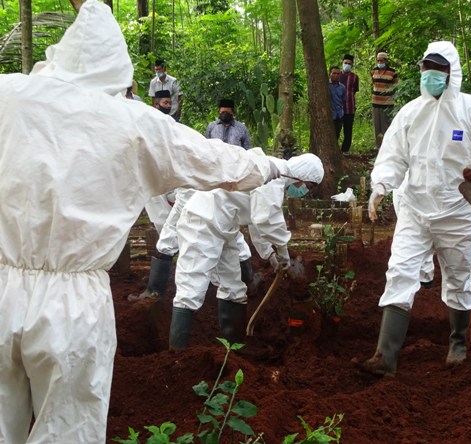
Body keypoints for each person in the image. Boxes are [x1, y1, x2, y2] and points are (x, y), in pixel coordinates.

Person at [0, 2, 280, 442]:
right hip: (73, 305)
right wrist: (273, 168)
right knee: (68, 427)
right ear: (117, 68)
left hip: (1, 286)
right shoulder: (132, 122)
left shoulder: (9, 95)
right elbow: (217, 162)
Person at [360, 41, 471, 377]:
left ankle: (458, 341)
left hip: (457, 213)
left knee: (459, 279)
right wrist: (381, 186)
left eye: (439, 69)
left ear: (451, 73)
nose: (431, 75)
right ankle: (385, 357)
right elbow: (393, 157)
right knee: (399, 272)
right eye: (426, 68)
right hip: (415, 210)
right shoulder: (410, 113)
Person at [169, 153, 324, 349]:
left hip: (224, 227)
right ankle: (176, 357)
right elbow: (266, 220)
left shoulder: (277, 178)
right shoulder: (273, 175)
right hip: (202, 222)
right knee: (190, 288)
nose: (304, 191)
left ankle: (233, 349)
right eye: (307, 186)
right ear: (302, 176)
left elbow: (256, 220)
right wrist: (283, 253)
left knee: (233, 288)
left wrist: (270, 255)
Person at [131, 100, 256, 302]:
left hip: (195, 189)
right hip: (209, 187)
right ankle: (247, 282)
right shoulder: (180, 136)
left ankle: (155, 291)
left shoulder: (169, 141)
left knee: (169, 238)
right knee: (231, 235)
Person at [371, 51, 398, 148]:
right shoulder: (373, 71)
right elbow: (373, 83)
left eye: (381, 60)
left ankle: (387, 146)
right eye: (378, 60)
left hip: (387, 103)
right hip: (375, 102)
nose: (379, 62)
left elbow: (395, 86)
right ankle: (378, 146)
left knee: (386, 125)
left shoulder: (392, 72)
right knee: (377, 126)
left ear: (386, 61)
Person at [339, 54, 360, 154]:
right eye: (345, 63)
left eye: (349, 64)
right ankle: (335, 149)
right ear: (342, 63)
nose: (347, 65)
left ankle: (345, 150)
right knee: (336, 130)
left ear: (352, 65)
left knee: (348, 130)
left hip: (349, 107)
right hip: (337, 108)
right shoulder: (337, 75)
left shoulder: (355, 77)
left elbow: (354, 91)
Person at [328, 66, 346, 142]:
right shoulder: (326, 85)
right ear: (330, 74)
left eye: (338, 74)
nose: (336, 75)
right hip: (329, 116)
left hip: (339, 115)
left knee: (337, 135)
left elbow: (343, 100)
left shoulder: (342, 87)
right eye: (334, 73)